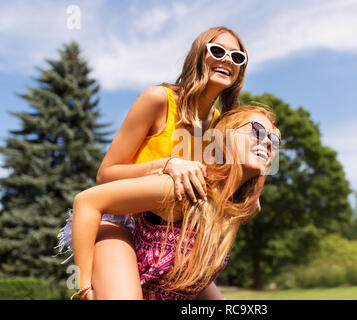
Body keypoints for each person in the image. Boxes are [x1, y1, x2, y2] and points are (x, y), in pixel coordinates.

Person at [56, 26, 248, 299]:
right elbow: (105, 175)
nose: (227, 59)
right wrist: (166, 164)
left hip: (170, 236)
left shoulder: (220, 128)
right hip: (122, 221)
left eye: (237, 57)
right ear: (198, 56)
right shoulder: (159, 100)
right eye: (217, 51)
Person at [71, 105, 281, 300]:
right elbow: (86, 201)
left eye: (275, 138)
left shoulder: (239, 207)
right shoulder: (186, 185)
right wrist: (84, 284)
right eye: (257, 130)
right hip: (116, 253)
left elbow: (191, 272)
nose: (268, 141)